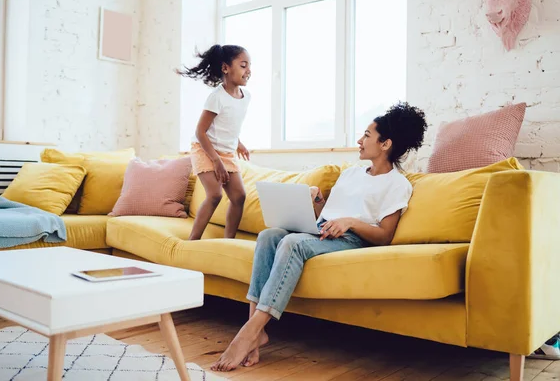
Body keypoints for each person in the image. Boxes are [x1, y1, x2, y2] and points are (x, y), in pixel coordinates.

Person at [211, 102, 429, 372]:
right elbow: (325, 216)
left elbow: (385, 236)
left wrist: (351, 222)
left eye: (367, 136)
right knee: (268, 235)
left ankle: (249, 332)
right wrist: (315, 201)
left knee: (292, 243)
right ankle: (256, 333)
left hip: (353, 239)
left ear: (385, 144)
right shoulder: (350, 173)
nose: (360, 141)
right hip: (324, 230)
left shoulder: (398, 184)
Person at [177, 44, 252, 240]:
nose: (248, 71)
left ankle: (229, 241)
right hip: (204, 149)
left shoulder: (246, 97)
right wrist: (216, 161)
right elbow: (201, 132)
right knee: (215, 195)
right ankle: (192, 240)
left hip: (226, 152)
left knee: (239, 197)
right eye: (243, 65)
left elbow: (229, 126)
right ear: (226, 68)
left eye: (249, 66)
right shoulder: (216, 97)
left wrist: (238, 143)